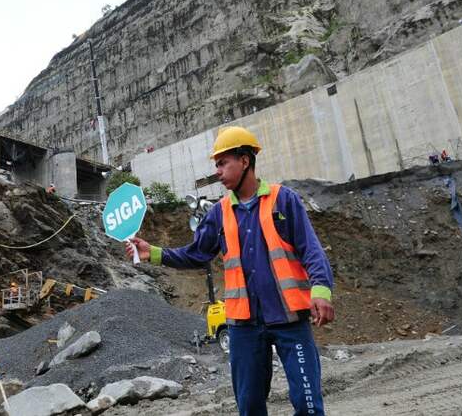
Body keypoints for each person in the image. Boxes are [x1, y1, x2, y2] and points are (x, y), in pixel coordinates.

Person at [127, 126, 335, 416]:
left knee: (307, 403)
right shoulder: (218, 213)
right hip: (243, 325)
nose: (218, 171)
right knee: (249, 406)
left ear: (245, 161)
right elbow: (197, 254)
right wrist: (156, 253)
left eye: (223, 163)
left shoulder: (283, 200)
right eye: (216, 165)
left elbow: (311, 249)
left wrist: (321, 290)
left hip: (289, 318)